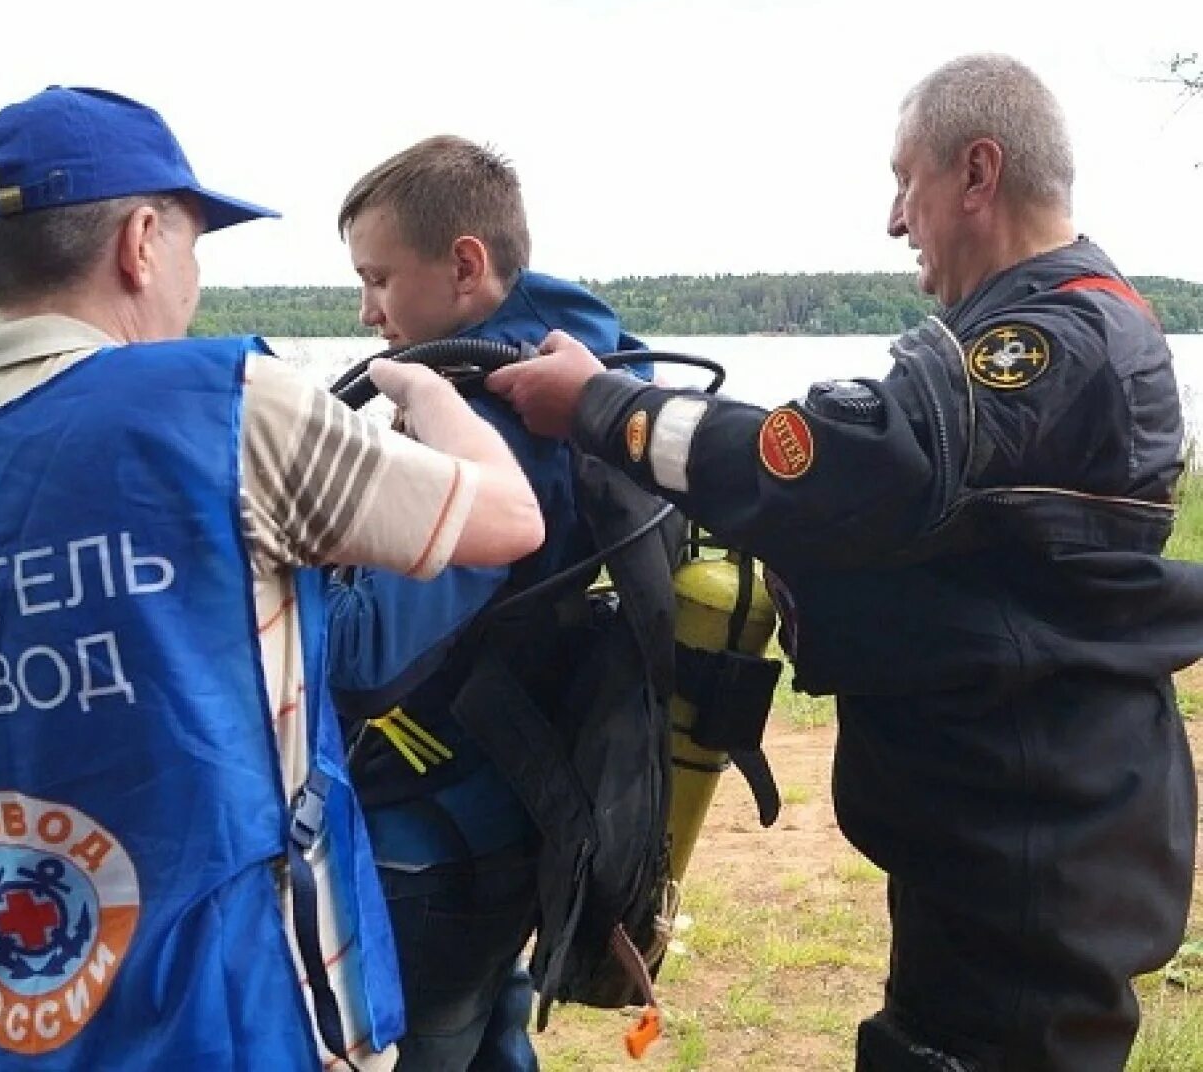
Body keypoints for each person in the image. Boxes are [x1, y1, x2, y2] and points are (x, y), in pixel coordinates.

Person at [0, 87, 545, 1072]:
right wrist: (426, 389)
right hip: (252, 1029)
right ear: (142, 242)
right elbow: (507, 520)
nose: (190, 277)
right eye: (195, 244)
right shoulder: (225, 407)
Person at [488, 53, 1203, 1071]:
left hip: (1032, 856)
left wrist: (608, 409)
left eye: (904, 179)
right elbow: (898, 505)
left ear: (976, 174)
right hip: (1007, 828)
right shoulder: (1045, 330)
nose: (894, 218)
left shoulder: (1058, 337)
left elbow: (851, 459)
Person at [325, 135, 648, 1070]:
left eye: (380, 278)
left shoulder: (487, 421)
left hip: (429, 841)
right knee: (490, 1042)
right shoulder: (577, 367)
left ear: (466, 266)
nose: (367, 309)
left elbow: (369, 656)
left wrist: (284, 548)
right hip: (515, 805)